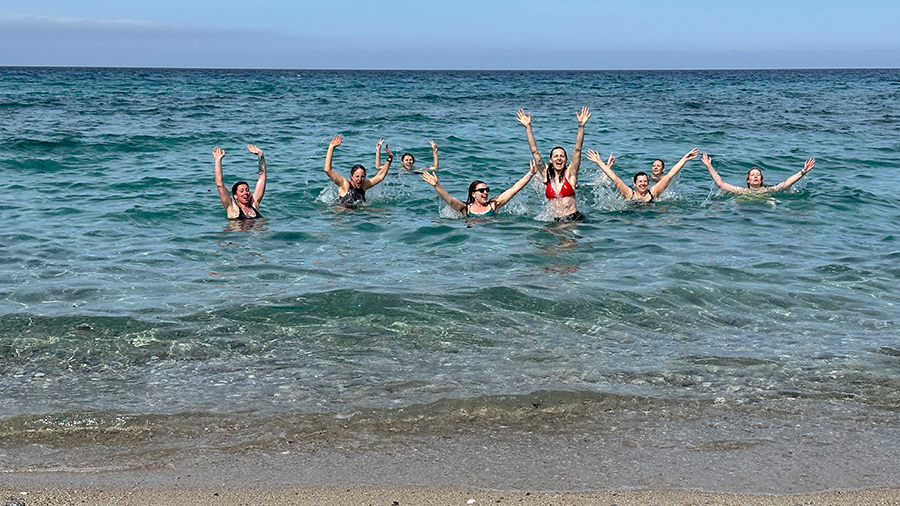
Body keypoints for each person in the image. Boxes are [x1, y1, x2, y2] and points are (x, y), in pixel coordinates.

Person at [516, 107, 590, 222]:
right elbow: (534, 151)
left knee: (568, 240)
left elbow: (578, 149)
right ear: (550, 160)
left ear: (566, 160)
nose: (559, 158)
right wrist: (528, 128)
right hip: (555, 220)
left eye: (562, 156)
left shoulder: (570, 174)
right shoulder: (546, 175)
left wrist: (581, 126)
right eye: (556, 156)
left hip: (573, 218)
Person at [420, 160, 539, 217]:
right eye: (481, 190)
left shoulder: (493, 205)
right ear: (473, 194)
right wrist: (437, 185)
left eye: (487, 190)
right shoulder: (465, 208)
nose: (485, 192)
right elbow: (449, 200)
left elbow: (513, 190)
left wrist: (530, 174)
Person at [586, 148, 699, 203]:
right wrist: (599, 162)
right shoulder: (629, 193)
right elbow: (614, 177)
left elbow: (670, 175)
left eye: (645, 181)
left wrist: (684, 159)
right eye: (640, 181)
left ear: (648, 183)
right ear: (634, 184)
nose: (643, 183)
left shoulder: (653, 192)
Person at [324, 135, 393, 206]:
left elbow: (380, 176)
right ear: (351, 177)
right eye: (357, 176)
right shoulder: (345, 184)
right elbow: (328, 170)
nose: (360, 179)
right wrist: (331, 147)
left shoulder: (364, 186)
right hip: (344, 213)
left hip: (359, 213)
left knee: (383, 212)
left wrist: (390, 159)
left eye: (362, 176)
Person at [702, 153, 815, 193]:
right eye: (752, 175)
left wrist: (803, 172)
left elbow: (786, 183)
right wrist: (709, 166)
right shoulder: (741, 191)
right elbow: (720, 183)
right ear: (748, 180)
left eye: (758, 175)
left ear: (761, 179)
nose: (755, 176)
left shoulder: (768, 190)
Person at [213, 144, 266, 220]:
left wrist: (260, 155)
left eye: (247, 190)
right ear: (235, 196)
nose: (246, 193)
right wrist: (218, 160)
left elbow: (262, 179)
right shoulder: (232, 208)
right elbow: (220, 185)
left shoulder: (254, 204)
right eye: (241, 191)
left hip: (256, 231)